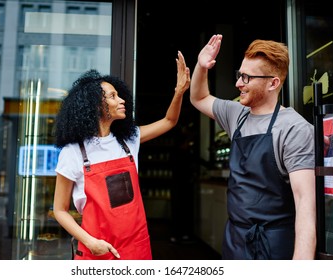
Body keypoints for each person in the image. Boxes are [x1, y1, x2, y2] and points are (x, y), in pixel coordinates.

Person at [53, 51, 190, 260]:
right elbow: (59, 210)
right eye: (113, 96)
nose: (122, 100)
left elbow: (169, 121)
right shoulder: (73, 152)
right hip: (97, 250)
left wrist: (179, 92)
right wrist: (91, 242)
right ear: (95, 105)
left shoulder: (128, 140)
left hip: (136, 246)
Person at [189, 34, 316, 259]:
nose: (238, 83)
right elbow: (198, 98)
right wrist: (202, 66)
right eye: (240, 75)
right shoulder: (236, 115)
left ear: (273, 83)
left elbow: (305, 204)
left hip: (274, 246)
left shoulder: (294, 128)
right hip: (235, 240)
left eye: (246, 77)